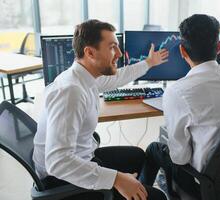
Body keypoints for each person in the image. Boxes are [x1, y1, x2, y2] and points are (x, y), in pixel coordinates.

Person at [32, 19, 169, 200]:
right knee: (158, 197)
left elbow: (118, 77)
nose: (119, 53)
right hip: (61, 178)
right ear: (89, 52)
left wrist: (149, 63)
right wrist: (117, 180)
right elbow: (58, 163)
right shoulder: (70, 92)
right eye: (112, 47)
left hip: (82, 156)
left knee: (138, 156)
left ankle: (136, 191)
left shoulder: (85, 76)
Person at [139, 14, 220, 197]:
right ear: (219, 47)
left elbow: (180, 157)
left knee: (155, 148)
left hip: (206, 183)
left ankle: (138, 193)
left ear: (182, 51)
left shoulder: (178, 92)